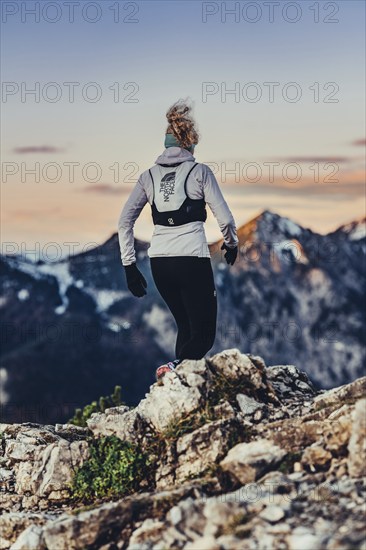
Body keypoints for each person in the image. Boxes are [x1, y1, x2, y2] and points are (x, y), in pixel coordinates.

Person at [117, 99, 239, 381]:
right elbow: (226, 219)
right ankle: (174, 371)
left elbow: (124, 221)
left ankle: (179, 386)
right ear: (190, 144)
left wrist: (129, 266)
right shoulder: (200, 173)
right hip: (192, 260)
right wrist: (231, 244)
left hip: (159, 264)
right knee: (204, 334)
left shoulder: (147, 177)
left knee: (185, 327)